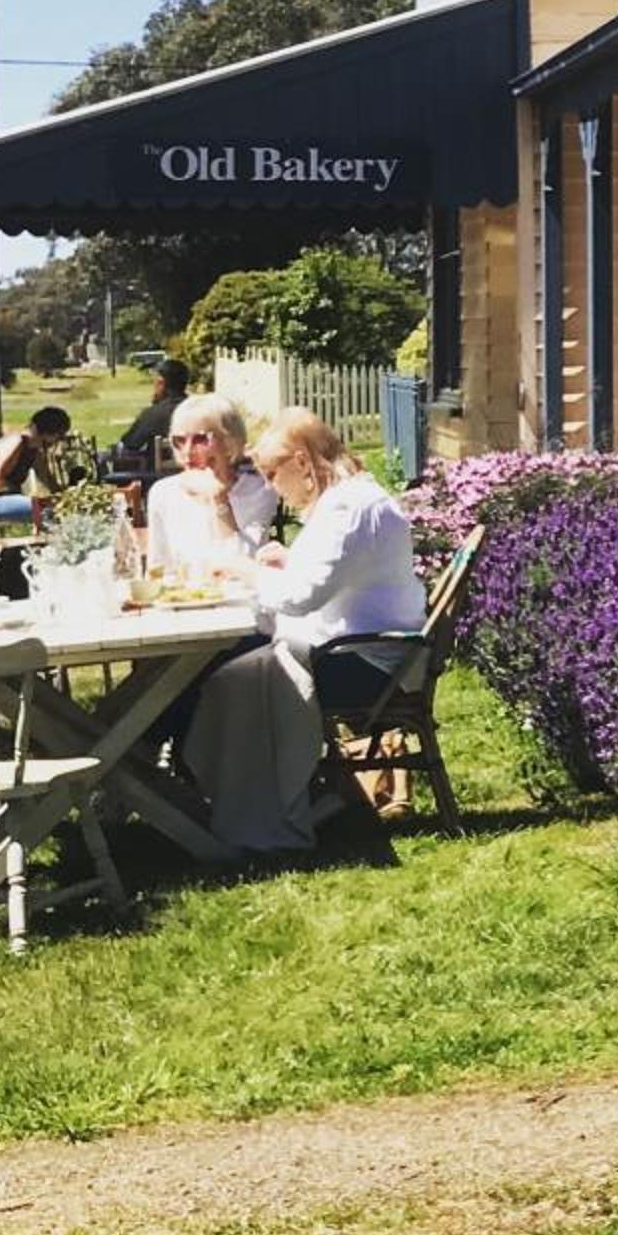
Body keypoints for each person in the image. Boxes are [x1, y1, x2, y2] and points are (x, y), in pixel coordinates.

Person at [183, 408, 424, 860]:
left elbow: (301, 598)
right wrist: (287, 561)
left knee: (223, 671)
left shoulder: (351, 508)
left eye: (273, 473)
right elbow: (340, 578)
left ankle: (250, 808)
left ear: (301, 461)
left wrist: (248, 568)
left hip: (369, 663)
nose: (273, 485)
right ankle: (227, 796)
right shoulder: (348, 501)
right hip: (355, 644)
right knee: (229, 668)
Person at [144, 393, 281, 578]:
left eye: (201, 440)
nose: (187, 451)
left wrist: (219, 500)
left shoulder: (259, 490)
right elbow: (158, 569)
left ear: (229, 442)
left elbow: (242, 565)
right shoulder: (163, 493)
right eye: (179, 441)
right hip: (185, 600)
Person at [0, 405, 73, 524]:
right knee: (45, 510)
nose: (57, 441)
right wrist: (29, 499)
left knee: (56, 506)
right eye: (58, 436)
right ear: (49, 433)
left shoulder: (34, 449)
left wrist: (65, 497)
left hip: (8, 498)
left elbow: (46, 479)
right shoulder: (16, 442)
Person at [113, 358, 194, 481]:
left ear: (161, 383)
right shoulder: (198, 410)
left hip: (159, 483)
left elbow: (129, 445)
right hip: (196, 480)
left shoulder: (153, 414)